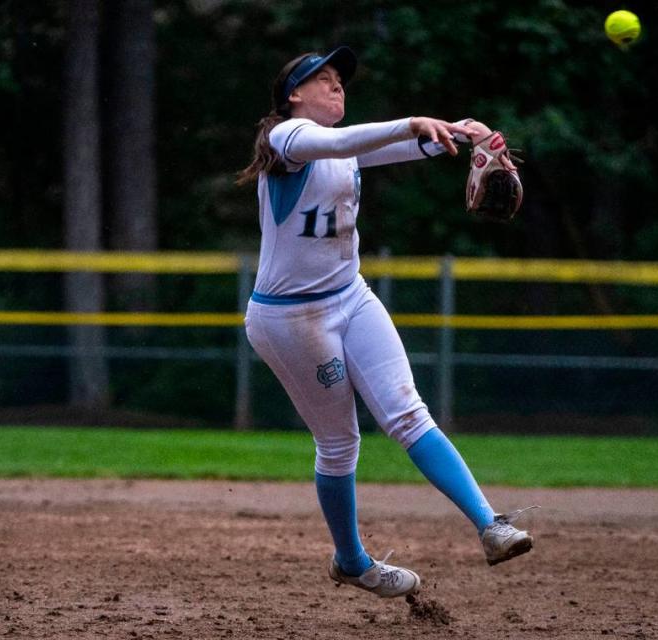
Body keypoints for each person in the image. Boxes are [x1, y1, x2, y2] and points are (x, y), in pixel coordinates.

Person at [236, 46, 535, 599]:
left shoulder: (347, 148)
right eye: (321, 80)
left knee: (407, 411)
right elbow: (342, 141)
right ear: (292, 96)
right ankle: (351, 561)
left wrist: (458, 133)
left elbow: (390, 146)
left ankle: (491, 526)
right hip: (290, 320)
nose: (336, 87)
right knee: (340, 441)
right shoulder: (287, 138)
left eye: (339, 80)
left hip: (350, 297)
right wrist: (412, 122)